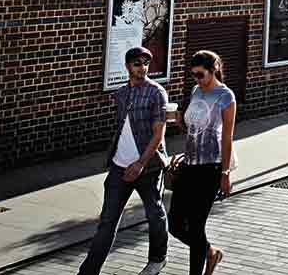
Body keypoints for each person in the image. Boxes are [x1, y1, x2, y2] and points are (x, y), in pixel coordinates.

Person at [78, 46, 169, 275]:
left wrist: (140, 164)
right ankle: (88, 271)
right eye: (137, 63)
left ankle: (157, 259)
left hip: (147, 167)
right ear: (128, 66)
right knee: (107, 222)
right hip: (119, 167)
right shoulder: (120, 94)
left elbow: (158, 134)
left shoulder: (156, 93)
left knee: (154, 214)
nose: (143, 67)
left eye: (146, 63)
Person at [170, 50, 234, 275]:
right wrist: (179, 120)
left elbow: (227, 137)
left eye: (200, 74)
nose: (196, 79)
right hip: (189, 165)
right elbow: (192, 129)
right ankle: (210, 252)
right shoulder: (196, 91)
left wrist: (225, 172)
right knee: (175, 224)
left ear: (213, 69)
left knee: (196, 227)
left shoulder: (225, 96)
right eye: (193, 75)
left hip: (210, 168)